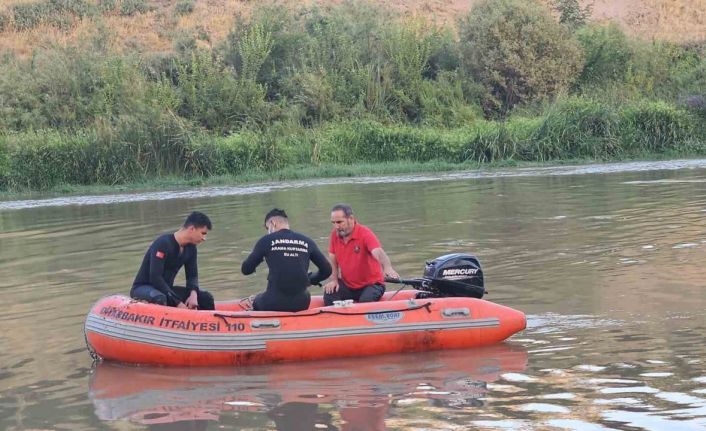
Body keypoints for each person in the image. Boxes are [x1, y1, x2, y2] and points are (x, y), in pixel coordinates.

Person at [241, 208, 332, 312]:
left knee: (256, 300)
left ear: (272, 223)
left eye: (267, 228)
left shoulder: (266, 241)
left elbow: (246, 269)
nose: (268, 232)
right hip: (302, 303)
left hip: (273, 303)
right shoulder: (306, 241)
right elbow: (327, 270)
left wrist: (260, 257)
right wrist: (311, 279)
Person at [130, 211, 215, 310]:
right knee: (160, 298)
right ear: (192, 229)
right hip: (144, 288)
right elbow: (155, 277)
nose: (204, 238)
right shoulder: (163, 243)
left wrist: (193, 294)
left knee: (206, 298)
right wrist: (177, 302)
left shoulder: (191, 248)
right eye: (203, 233)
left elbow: (192, 276)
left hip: (166, 290)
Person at [323, 204, 399, 306]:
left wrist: (387, 267)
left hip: (372, 285)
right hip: (348, 286)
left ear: (351, 218)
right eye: (333, 223)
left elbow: (378, 252)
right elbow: (333, 260)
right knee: (329, 294)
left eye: (339, 222)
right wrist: (334, 280)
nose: (336, 226)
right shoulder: (334, 235)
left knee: (365, 302)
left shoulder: (365, 233)